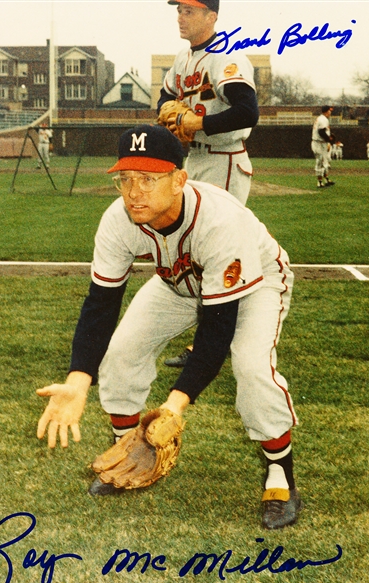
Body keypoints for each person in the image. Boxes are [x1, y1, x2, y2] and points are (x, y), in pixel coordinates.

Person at [36, 124, 302, 530]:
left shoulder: (220, 221)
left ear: (179, 180)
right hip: (179, 283)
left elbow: (215, 334)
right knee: (121, 352)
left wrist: (174, 406)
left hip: (256, 283)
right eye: (125, 179)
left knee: (251, 366)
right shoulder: (118, 220)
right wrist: (77, 381)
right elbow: (100, 305)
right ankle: (127, 451)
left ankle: (280, 476)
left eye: (148, 178)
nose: (133, 191)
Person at [157, 0, 260, 367]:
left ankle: (210, 345)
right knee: (200, 251)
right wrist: (170, 117)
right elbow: (167, 97)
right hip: (195, 159)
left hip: (225, 160)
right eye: (179, 10)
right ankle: (213, 339)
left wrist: (198, 124)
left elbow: (248, 111)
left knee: (220, 251)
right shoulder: (183, 61)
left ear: (211, 17)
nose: (180, 16)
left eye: (189, 10)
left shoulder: (227, 55)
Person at [311, 105, 335, 189]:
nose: (330, 112)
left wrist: (329, 137)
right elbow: (321, 132)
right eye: (329, 111)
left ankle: (325, 179)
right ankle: (319, 182)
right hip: (319, 143)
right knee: (320, 161)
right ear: (326, 111)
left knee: (325, 161)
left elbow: (324, 131)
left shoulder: (322, 119)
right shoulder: (323, 119)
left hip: (321, 143)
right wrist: (329, 139)